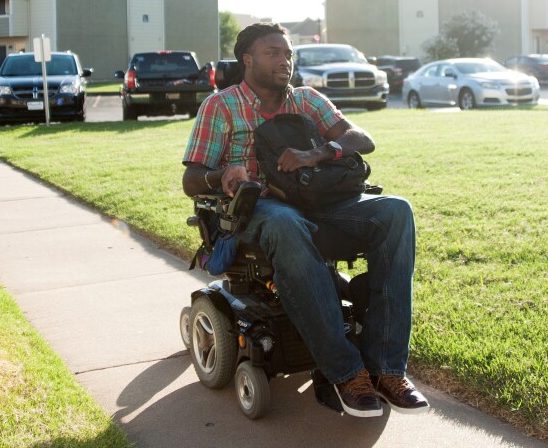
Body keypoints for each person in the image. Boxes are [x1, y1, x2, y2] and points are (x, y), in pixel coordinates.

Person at [182, 22, 429, 418]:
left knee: (396, 211)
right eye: (273, 53)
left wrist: (317, 153)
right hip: (259, 207)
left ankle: (387, 370)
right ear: (248, 59)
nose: (285, 60)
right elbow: (192, 178)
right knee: (286, 223)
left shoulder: (307, 99)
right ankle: (346, 373)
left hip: (319, 199)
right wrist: (220, 175)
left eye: (288, 53)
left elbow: (361, 139)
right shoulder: (221, 106)